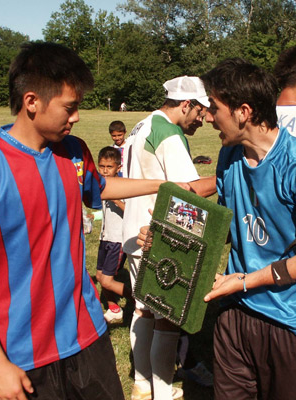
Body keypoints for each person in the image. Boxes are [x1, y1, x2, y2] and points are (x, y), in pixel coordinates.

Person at [0, 42, 183, 400]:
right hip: (19, 356)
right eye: (70, 107)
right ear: (32, 102)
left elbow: (99, 187)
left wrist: (162, 183)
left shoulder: (73, 152)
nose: (77, 117)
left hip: (88, 339)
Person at [200, 58, 296, 399]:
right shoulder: (229, 156)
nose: (208, 117)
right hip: (237, 312)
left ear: (243, 112)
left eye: (214, 108)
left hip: (295, 321)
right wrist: (170, 238)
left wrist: (248, 280)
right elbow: (227, 224)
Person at [122, 75, 216, 400]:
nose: (202, 121)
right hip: (156, 234)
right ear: (186, 104)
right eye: (200, 112)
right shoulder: (170, 133)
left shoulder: (141, 125)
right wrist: (225, 176)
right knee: (168, 318)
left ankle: (141, 385)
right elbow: (188, 191)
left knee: (143, 310)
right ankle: (163, 393)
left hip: (131, 232)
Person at [95, 146, 131, 322]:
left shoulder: (124, 186)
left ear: (118, 167)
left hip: (118, 239)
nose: (105, 170)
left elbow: (130, 212)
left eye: (109, 167)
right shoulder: (102, 185)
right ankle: (114, 308)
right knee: (101, 277)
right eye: (102, 166)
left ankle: (138, 300)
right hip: (105, 237)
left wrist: (115, 199)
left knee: (107, 280)